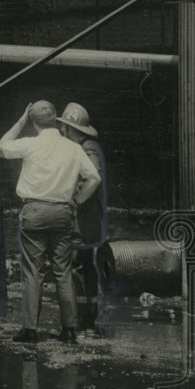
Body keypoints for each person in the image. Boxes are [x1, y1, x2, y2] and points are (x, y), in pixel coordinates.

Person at [0, 100, 101, 344]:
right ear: (56, 119)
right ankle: (70, 330)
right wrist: (75, 202)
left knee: (33, 272)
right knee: (63, 272)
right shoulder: (73, 148)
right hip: (63, 212)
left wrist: (21, 120)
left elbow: (1, 148)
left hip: (34, 211)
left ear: (34, 123)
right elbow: (94, 179)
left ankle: (30, 330)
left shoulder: (31, 143)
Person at [58, 102, 108, 334]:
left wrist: (74, 199)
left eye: (65, 128)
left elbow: (92, 176)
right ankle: (89, 320)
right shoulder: (90, 146)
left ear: (73, 130)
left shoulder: (87, 149)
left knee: (78, 266)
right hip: (89, 218)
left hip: (83, 218)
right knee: (86, 266)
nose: (62, 132)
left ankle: (82, 322)